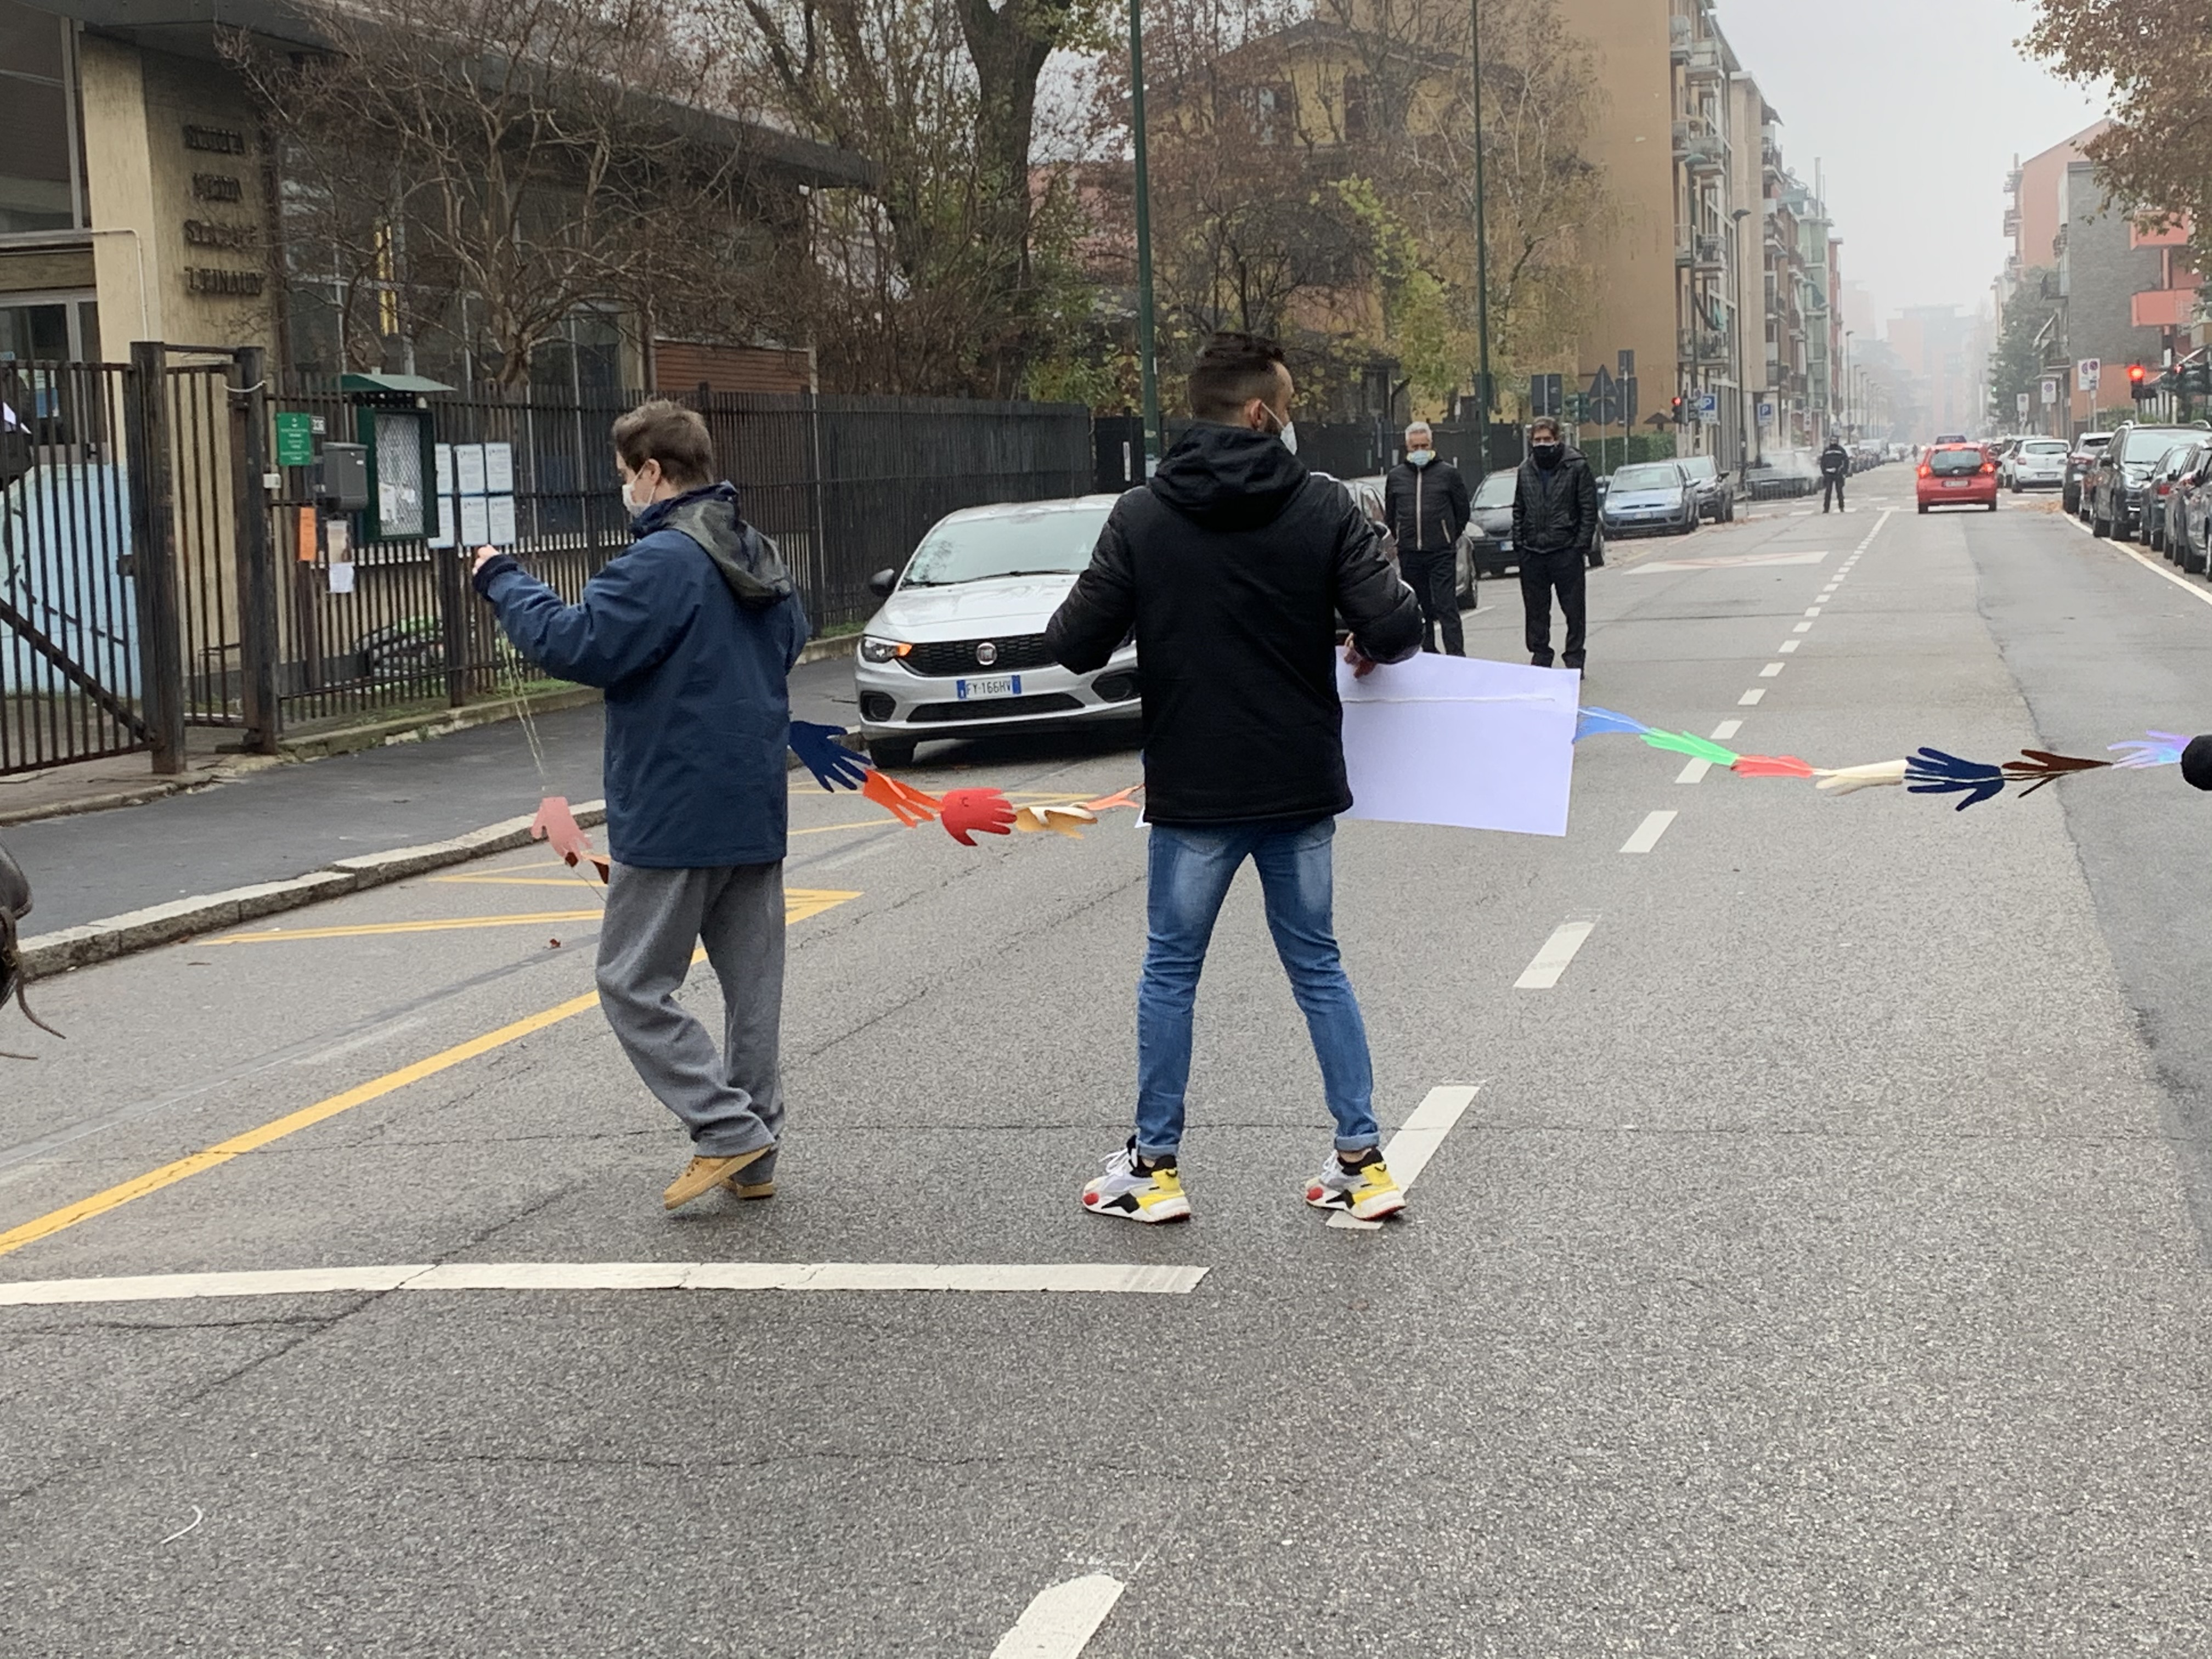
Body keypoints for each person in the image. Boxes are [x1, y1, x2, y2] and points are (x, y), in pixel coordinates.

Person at [1047, 331, 1424, 1225]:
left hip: (1195, 789)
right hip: (1298, 784)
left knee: (1171, 970)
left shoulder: (1142, 514)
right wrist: (1362, 636)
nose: (1291, 424)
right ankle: (1362, 1161)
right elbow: (1395, 626)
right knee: (1318, 964)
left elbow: (1074, 642)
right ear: (1259, 414)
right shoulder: (1324, 506)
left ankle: (1155, 1164)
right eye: (1287, 409)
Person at [471, 400, 808, 1213]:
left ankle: (727, 1132)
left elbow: (578, 645)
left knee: (630, 983)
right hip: (753, 801)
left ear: (654, 473)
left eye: (624, 475)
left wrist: (500, 578)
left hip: (672, 806)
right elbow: (790, 640)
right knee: (751, 990)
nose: (623, 489)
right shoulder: (753, 547)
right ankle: (753, 1148)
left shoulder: (661, 561)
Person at [1512, 415, 1598, 672]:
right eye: (1537, 440)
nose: (1542, 444)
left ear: (1557, 439)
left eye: (1547, 439)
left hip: (1565, 550)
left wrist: (1579, 546)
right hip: (1533, 552)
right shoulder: (1525, 469)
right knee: (1536, 611)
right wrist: (1520, 542)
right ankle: (1540, 656)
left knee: (1573, 609)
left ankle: (1574, 658)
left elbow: (1588, 508)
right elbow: (1519, 508)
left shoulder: (1576, 466)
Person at [1383, 421, 1472, 654]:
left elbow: (1462, 510)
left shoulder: (1448, 474)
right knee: (1419, 607)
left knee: (1446, 606)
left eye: (1424, 446)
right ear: (1407, 448)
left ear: (1432, 445)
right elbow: (1391, 514)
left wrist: (1449, 536)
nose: (1420, 451)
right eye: (1415, 447)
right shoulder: (1396, 477)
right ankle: (1428, 652)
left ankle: (1456, 656)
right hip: (1410, 552)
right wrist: (1401, 537)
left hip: (1441, 551)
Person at [1820, 436, 1850, 512]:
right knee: (1828, 492)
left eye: (1835, 440)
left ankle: (1841, 507)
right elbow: (1823, 462)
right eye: (1832, 440)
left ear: (1837, 441)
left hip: (1838, 473)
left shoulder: (1841, 450)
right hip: (1828, 474)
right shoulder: (1827, 451)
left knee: (1839, 491)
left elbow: (1846, 461)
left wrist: (1844, 472)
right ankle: (1826, 509)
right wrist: (1824, 472)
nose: (1833, 442)